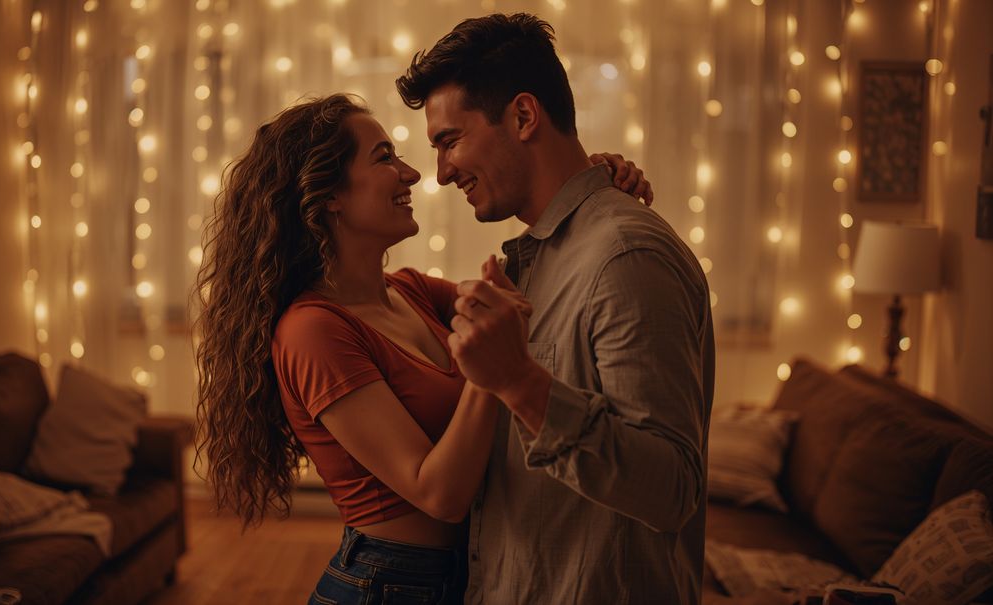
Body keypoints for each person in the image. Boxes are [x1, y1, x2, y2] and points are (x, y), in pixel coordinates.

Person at [193, 94, 650, 604]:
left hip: (462, 576)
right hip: (386, 586)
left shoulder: (411, 290)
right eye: (384, 157)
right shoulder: (312, 331)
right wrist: (489, 374)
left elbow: (525, 303)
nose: (411, 174)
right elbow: (439, 494)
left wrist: (585, 191)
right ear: (328, 196)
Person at [396, 12, 715, 604]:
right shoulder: (537, 258)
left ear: (522, 116)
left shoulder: (624, 257)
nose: (440, 174)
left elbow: (672, 488)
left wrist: (518, 382)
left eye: (449, 140)